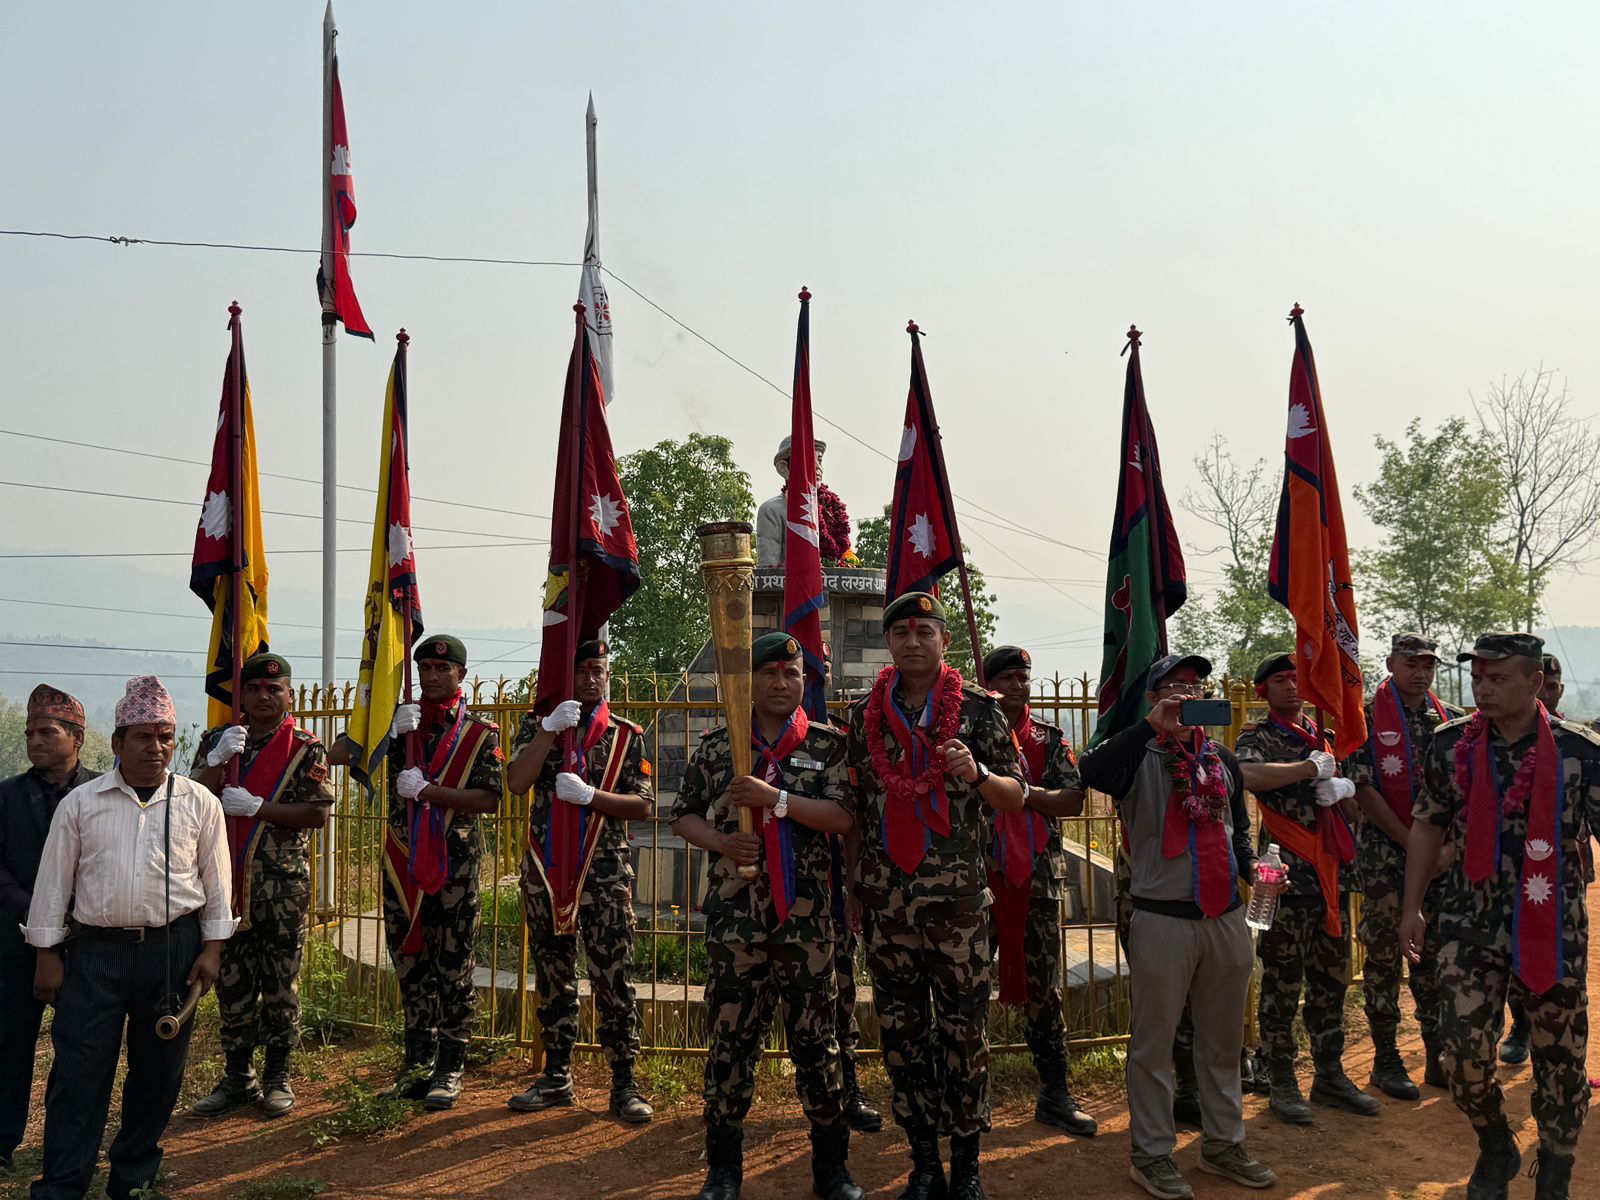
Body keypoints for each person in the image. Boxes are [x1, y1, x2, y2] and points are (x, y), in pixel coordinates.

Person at [841, 592, 1025, 1200]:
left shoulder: (978, 712)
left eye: (925, 631)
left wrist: (975, 773)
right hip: (888, 906)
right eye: (901, 631)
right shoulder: (862, 714)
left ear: (944, 641)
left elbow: (1016, 796)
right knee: (902, 1035)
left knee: (964, 1033)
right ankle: (923, 1161)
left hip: (958, 910)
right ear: (888, 642)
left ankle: (967, 1164)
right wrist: (852, 891)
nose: (913, 641)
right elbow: (854, 813)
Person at [1403, 633, 1600, 1200]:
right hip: (1468, 922)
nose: (1482, 689)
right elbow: (1427, 823)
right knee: (1462, 1056)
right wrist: (1412, 907)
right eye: (1477, 678)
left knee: (1560, 1063)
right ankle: (1495, 1143)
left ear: (1535, 682)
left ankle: (1556, 1171)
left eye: (1497, 678)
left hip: (1552, 929)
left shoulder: (1580, 751)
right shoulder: (1449, 746)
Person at [23, 676, 233, 1200]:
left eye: (165, 736)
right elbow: (53, 884)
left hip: (173, 954)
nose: (155, 748)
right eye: (142, 737)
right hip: (93, 955)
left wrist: (212, 950)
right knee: (78, 1075)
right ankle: (63, 1184)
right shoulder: (81, 803)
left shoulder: (199, 802)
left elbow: (217, 883)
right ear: (117, 743)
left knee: (157, 1076)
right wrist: (47, 954)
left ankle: (132, 1179)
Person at [671, 632, 864, 1200]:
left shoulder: (828, 746)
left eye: (792, 674)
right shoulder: (719, 747)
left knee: (816, 1044)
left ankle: (832, 1168)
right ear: (748, 683)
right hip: (737, 924)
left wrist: (775, 800)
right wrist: (725, 844)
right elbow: (683, 816)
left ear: (806, 681)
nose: (782, 684)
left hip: (806, 924)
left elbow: (844, 818)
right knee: (731, 1043)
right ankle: (724, 1170)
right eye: (770, 674)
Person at [1081, 653, 1277, 1200]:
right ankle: (1150, 1154)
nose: (1189, 694)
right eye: (1175, 686)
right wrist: (1150, 726)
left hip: (1225, 918)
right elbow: (1089, 772)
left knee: (1222, 1042)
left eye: (1197, 685)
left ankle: (1222, 1143)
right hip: (1162, 918)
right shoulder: (1135, 755)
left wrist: (1253, 870)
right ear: (1154, 696)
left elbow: (1237, 830)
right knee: (1153, 1045)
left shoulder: (1223, 761)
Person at [328, 635, 502, 1109]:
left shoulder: (479, 735)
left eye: (442, 670)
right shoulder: (401, 726)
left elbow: (490, 798)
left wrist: (430, 792)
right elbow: (339, 754)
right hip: (401, 865)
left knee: (453, 969)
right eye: (423, 668)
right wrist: (384, 729)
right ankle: (416, 1065)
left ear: (461, 676)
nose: (430, 676)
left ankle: (450, 1068)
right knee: (410, 965)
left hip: (455, 870)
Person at [505, 639, 654, 1124]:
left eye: (598, 669)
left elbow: (645, 805)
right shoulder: (536, 726)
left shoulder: (627, 736)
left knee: (613, 980)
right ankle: (556, 1076)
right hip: (548, 875)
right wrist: (549, 730)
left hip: (605, 875)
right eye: (581, 671)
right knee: (553, 979)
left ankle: (624, 1083)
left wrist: (593, 796)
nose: (591, 679)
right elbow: (517, 782)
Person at [188, 653, 334, 1119]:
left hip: (280, 889)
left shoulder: (305, 747)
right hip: (224, 885)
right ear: (241, 695)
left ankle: (277, 1076)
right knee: (232, 986)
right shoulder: (219, 740)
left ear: (290, 694)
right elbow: (190, 802)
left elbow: (317, 813)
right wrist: (216, 762)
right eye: (254, 689)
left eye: (275, 689)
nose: (265, 697)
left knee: (280, 986)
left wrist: (258, 807)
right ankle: (237, 1078)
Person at [1235, 654, 1379, 1124]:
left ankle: (1330, 1074)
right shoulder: (1257, 737)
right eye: (1280, 679)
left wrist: (1343, 790)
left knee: (1330, 983)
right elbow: (1248, 777)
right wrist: (1304, 771)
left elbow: (1359, 793)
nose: (1293, 686)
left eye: (1298, 678)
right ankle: (1281, 1079)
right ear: (1262, 690)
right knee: (1282, 983)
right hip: (1286, 878)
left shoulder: (1327, 739)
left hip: (1330, 879)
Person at [981, 645, 1097, 1138]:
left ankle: (1054, 1092)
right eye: (1006, 678)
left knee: (1044, 990)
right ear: (989, 684)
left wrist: (1022, 794)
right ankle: (971, 1093)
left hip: (1038, 879)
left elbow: (1071, 799)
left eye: (1022, 677)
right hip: (980, 876)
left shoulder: (1049, 739)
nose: (1017, 685)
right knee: (966, 987)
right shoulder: (971, 734)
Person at [1340, 634, 1462, 1099]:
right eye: (1412, 662)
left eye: (1428, 663)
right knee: (1387, 955)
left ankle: (1435, 1052)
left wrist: (1442, 848)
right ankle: (1386, 1057)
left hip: (1440, 860)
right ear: (1391, 663)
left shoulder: (1449, 718)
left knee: (1433, 957)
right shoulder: (1366, 717)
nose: (1421, 671)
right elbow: (1363, 789)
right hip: (1386, 858)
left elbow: (1461, 788)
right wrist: (1414, 844)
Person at [0, 686, 98, 1171]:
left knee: (78, 1047)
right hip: (15, 942)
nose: (35, 740)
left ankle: (65, 1145)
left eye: (47, 731)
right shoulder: (7, 796)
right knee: (9, 1043)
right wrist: (40, 913)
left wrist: (70, 917)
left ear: (77, 737)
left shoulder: (102, 794)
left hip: (85, 943)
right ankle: (2, 1142)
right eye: (30, 733)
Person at [1498, 654, 1573, 1069]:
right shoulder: (1499, 739)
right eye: (1547, 683)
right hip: (1512, 864)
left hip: (1563, 866)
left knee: (1559, 943)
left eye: (1556, 683)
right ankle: (1520, 1026)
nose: (1552, 690)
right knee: (1516, 945)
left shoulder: (1576, 741)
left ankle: (1555, 1038)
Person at [821, 640, 882, 1133]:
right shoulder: (738, 739)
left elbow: (855, 821)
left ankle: (849, 1086)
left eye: (816, 669)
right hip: (761, 895)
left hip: (830, 890)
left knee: (842, 990)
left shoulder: (839, 741)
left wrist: (856, 885)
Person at [755, 434, 827, 567]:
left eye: (820, 460)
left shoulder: (830, 510)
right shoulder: (772, 510)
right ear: (785, 468)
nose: (817, 467)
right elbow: (769, 570)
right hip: (790, 586)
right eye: (808, 460)